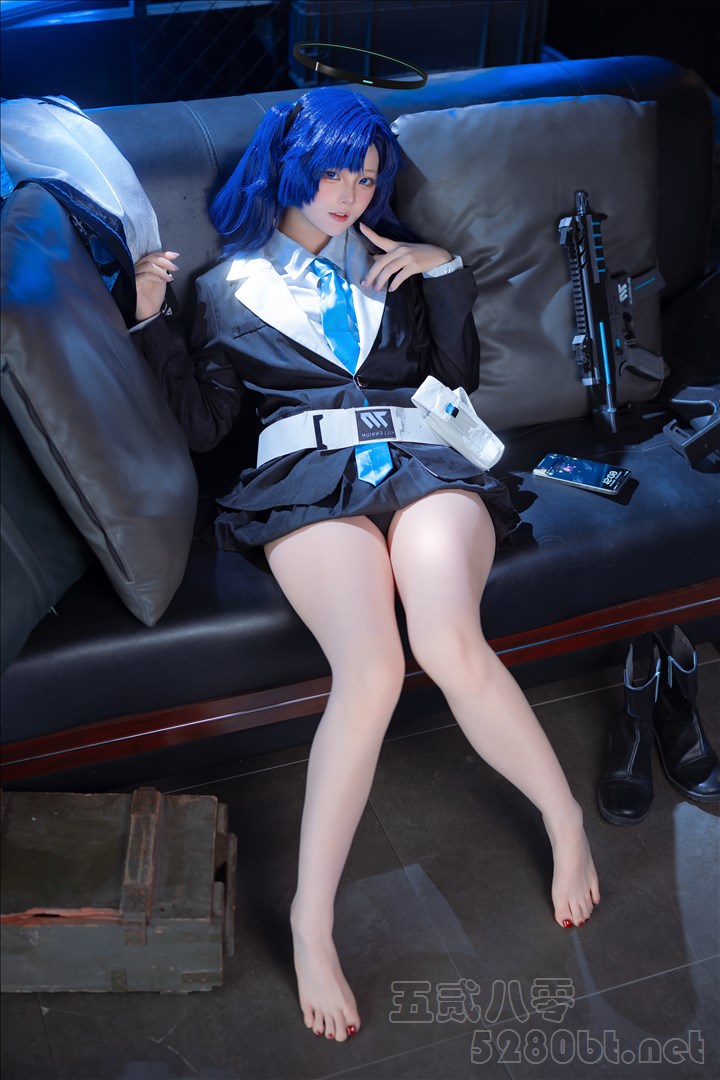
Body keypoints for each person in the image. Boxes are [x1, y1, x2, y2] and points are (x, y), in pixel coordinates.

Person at [133, 86, 600, 1043]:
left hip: (423, 463)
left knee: (447, 639)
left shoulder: (394, 264)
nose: (350, 195)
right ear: (291, 168)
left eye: (366, 178)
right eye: (334, 174)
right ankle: (312, 919)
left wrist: (443, 269)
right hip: (305, 484)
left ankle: (564, 822)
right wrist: (148, 323)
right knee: (373, 667)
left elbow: (453, 378)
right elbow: (207, 425)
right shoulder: (223, 290)